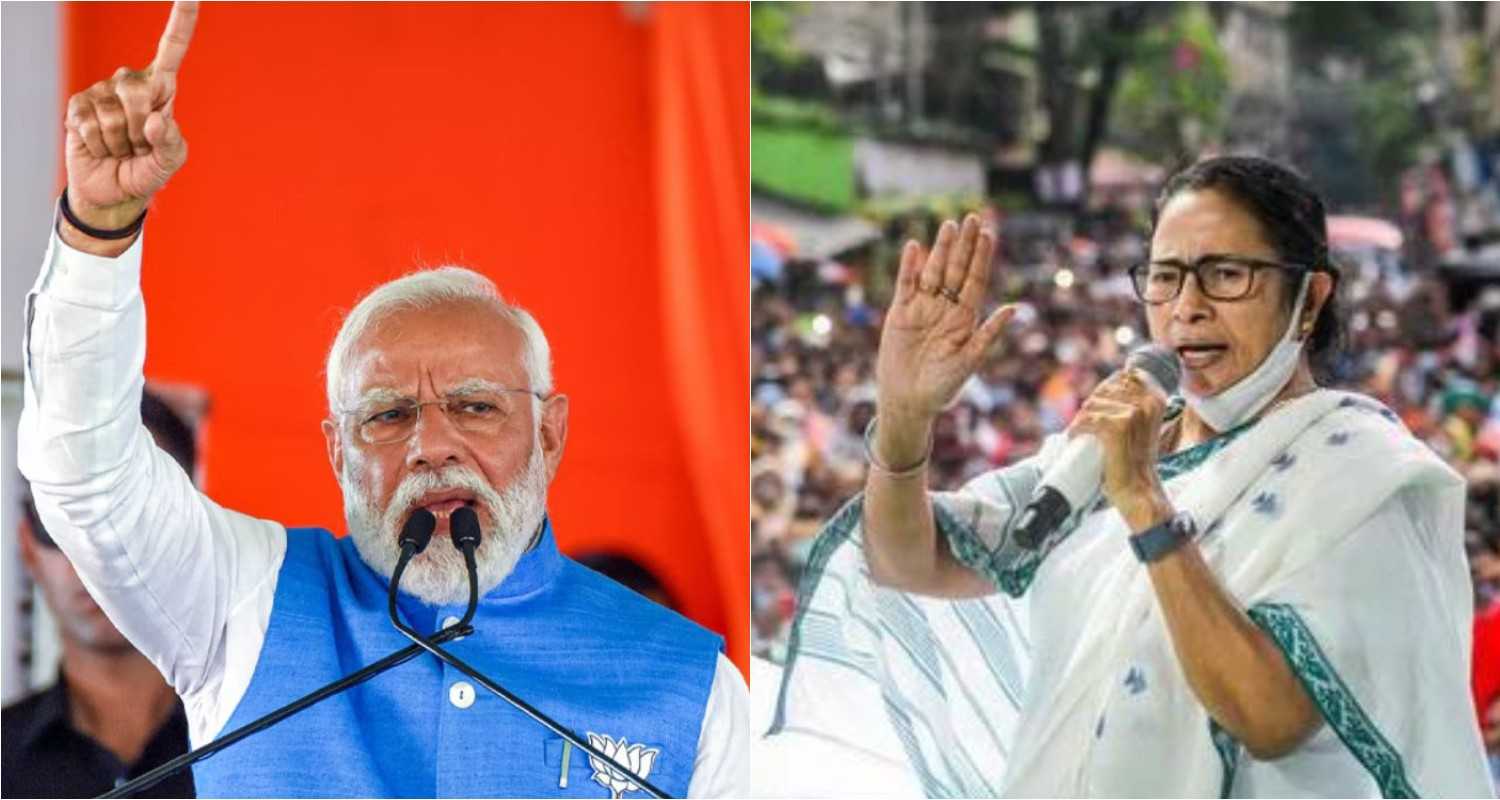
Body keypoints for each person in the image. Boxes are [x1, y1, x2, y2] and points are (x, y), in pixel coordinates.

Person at [18, 3, 746, 796]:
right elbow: (84, 479)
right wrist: (98, 229)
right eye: (388, 415)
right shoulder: (245, 600)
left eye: (475, 407)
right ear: (336, 449)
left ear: (551, 433)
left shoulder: (693, 689)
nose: (432, 444)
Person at [766, 156, 1490, 796]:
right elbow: (905, 560)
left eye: (1227, 275)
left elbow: (1270, 718)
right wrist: (903, 414)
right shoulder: (1104, 449)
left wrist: (1145, 502)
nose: (1187, 306)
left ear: (1311, 298)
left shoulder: (1359, 475)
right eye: (1166, 276)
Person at [4, 391, 199, 799]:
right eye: (59, 519)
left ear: (191, 529)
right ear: (28, 548)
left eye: (132, 512)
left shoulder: (265, 748)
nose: (95, 553)